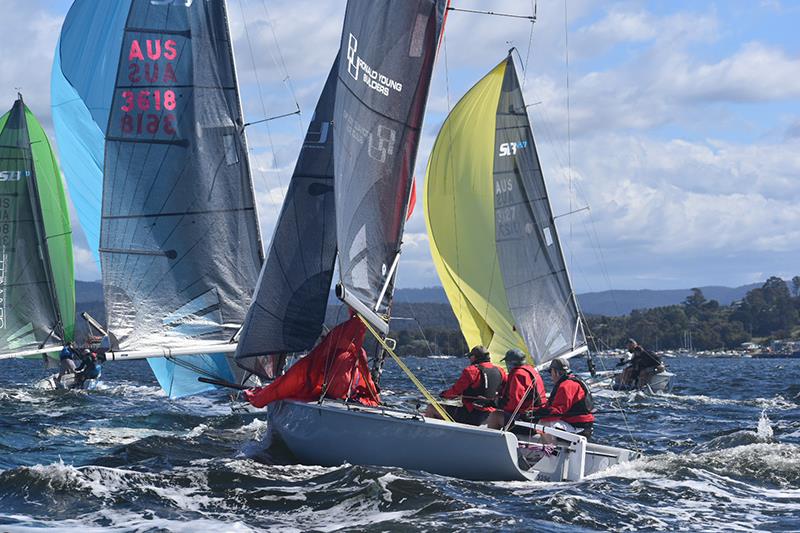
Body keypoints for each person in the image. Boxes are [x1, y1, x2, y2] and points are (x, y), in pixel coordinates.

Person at [424, 345, 506, 426]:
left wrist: (443, 394)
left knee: (431, 408)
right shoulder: (501, 371)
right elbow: (505, 391)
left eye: (470, 356)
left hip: (472, 415)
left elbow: (454, 393)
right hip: (491, 414)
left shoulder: (471, 371)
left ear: (474, 357)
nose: (469, 359)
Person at [530, 357, 594, 441]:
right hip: (584, 425)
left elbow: (557, 412)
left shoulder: (565, 386)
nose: (551, 375)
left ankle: (550, 451)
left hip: (578, 428)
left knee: (544, 423)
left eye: (551, 372)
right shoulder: (574, 380)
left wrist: (535, 414)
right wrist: (538, 410)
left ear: (556, 372)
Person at [487, 348, 547, 430]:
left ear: (511, 363)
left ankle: (492, 442)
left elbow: (514, 403)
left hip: (526, 421)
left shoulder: (517, 375)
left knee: (494, 416)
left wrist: (497, 404)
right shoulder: (532, 371)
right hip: (538, 418)